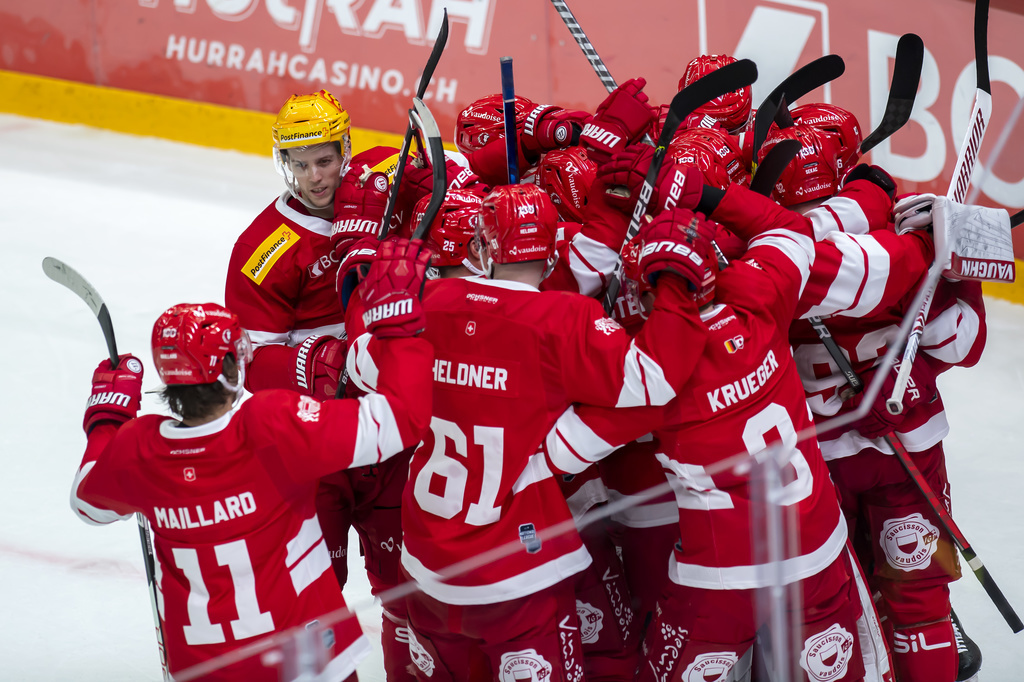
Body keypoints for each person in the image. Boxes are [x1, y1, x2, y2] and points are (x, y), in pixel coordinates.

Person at [546, 176, 897, 681]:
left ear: (647, 290)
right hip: (816, 556)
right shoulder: (760, 298)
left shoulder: (650, 375)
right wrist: (710, 194)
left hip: (719, 579)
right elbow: (789, 230)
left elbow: (560, 452)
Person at [70, 243, 433, 681]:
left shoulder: (139, 448)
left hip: (207, 669)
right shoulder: (269, 425)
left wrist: (107, 418)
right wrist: (400, 327)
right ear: (228, 371)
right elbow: (400, 421)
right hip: (305, 658)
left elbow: (86, 502)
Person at [394, 183, 709, 681]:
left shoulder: (431, 301)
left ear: (483, 246)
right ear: (553, 247)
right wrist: (674, 285)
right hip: (517, 576)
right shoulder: (562, 320)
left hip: (425, 565)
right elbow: (655, 381)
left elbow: (368, 368)